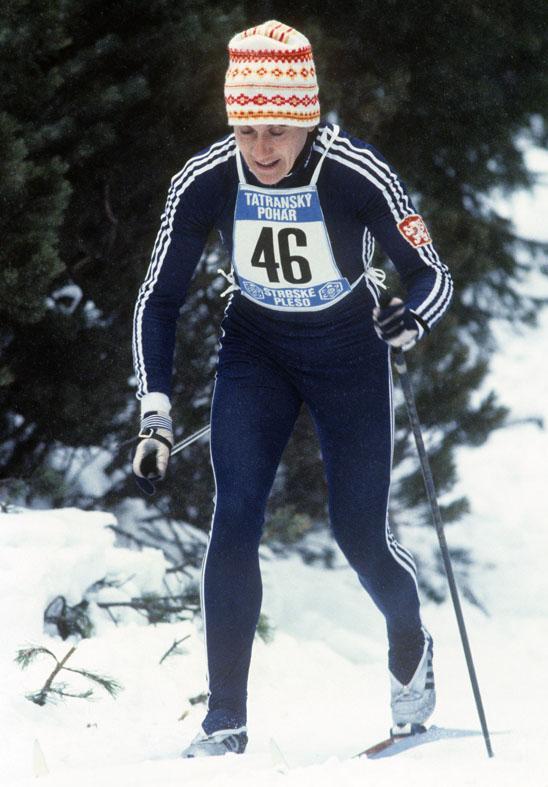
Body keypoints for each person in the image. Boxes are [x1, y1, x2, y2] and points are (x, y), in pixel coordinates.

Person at [132, 20, 452, 758]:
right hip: (258, 351)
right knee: (235, 515)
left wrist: (411, 321)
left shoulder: (355, 171)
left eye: (277, 129)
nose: (262, 149)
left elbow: (430, 272)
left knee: (360, 534)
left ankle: (410, 646)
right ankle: (224, 721)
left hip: (350, 356)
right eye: (246, 129)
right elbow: (158, 300)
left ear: (307, 117)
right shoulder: (206, 177)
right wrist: (154, 413)